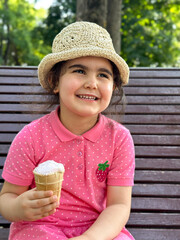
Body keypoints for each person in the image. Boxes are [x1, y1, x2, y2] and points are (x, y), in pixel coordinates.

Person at [0, 21, 135, 240]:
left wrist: (90, 238)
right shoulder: (32, 136)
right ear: (55, 81)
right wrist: (18, 207)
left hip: (98, 230)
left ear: (114, 87)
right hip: (40, 228)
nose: (92, 83)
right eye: (79, 71)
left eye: (103, 75)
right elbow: (7, 197)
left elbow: (118, 205)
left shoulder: (118, 139)